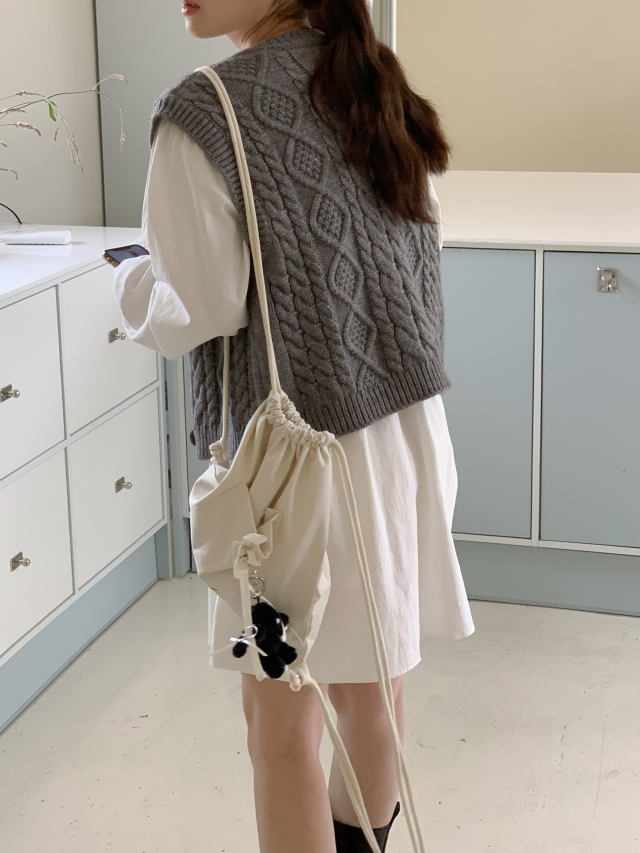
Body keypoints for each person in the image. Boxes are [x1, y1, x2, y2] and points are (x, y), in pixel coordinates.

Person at [113, 2, 475, 851]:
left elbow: (200, 305)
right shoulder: (371, 80)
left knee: (280, 728)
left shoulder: (203, 110)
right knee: (373, 691)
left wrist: (129, 288)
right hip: (402, 436)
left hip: (293, 474)